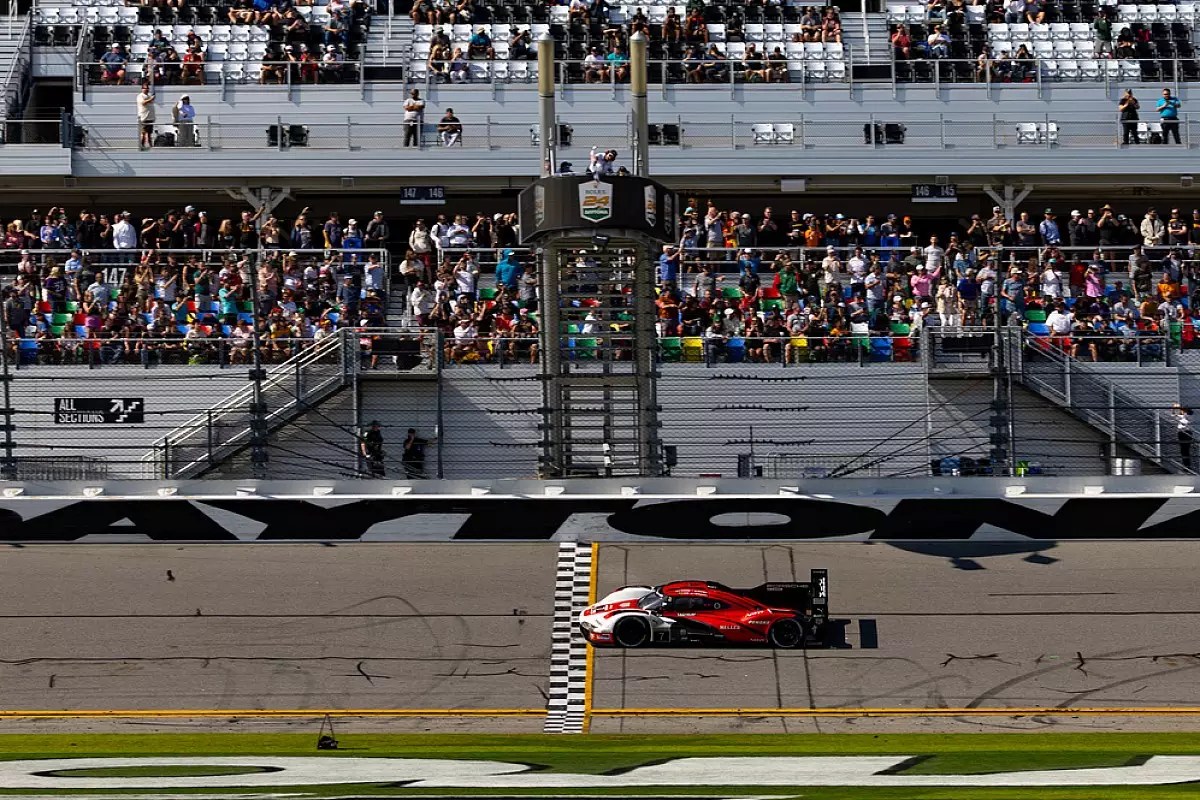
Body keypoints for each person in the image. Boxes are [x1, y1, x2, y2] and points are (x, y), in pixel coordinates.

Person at [136, 82, 156, 150]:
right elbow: (143, 103)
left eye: (147, 88)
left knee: (149, 133)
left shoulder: (149, 96)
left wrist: (151, 98)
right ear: (142, 89)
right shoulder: (140, 96)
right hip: (144, 118)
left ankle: (151, 146)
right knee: (143, 133)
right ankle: (142, 146)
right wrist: (151, 99)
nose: (146, 89)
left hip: (150, 118)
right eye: (145, 88)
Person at [1175, 404, 1194, 469]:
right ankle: (1186, 465)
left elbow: (1184, 422)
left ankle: (1187, 465)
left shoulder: (1188, 416)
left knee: (1185, 450)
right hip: (1182, 433)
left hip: (1186, 433)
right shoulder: (1183, 416)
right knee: (1183, 450)